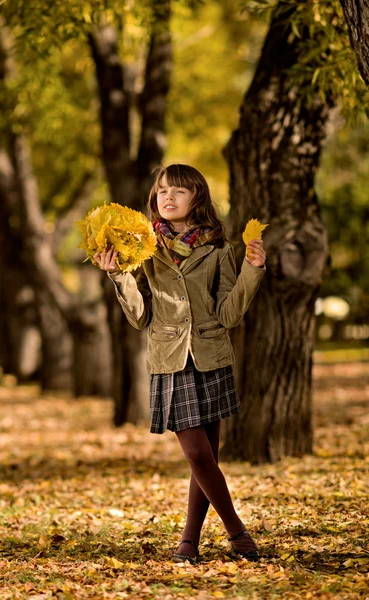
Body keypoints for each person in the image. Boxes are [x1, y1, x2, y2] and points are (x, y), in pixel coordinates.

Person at [93, 163, 267, 564]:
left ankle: (189, 542)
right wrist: (119, 276)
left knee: (207, 457)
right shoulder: (142, 248)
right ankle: (237, 532)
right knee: (197, 455)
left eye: (179, 191)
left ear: (197, 199)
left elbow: (228, 314)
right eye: (161, 191)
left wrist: (251, 271)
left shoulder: (218, 248)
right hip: (170, 360)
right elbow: (139, 317)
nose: (167, 197)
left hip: (212, 357)